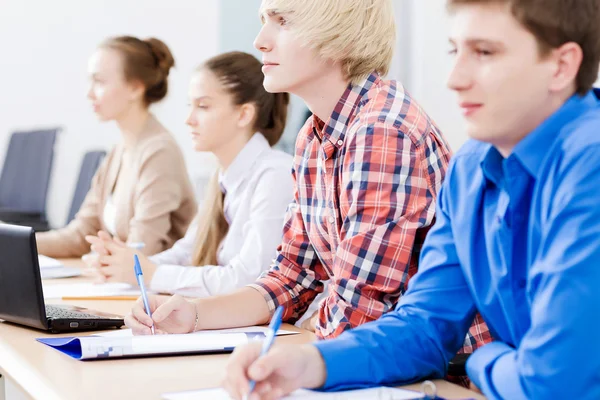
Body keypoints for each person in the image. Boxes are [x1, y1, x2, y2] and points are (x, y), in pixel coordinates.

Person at [219, 0, 600, 399]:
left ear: (561, 66)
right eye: (456, 51)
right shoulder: (472, 168)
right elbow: (424, 327)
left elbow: (553, 382)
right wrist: (310, 364)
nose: (454, 79)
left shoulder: (589, 164)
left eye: (485, 53)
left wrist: (483, 361)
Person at [125, 0, 491, 355]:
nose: (260, 40)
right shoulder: (315, 137)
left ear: (340, 37)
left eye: (282, 21)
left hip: (444, 372)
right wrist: (195, 314)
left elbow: (360, 306)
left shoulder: (381, 131)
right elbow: (291, 277)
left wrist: (299, 366)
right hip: (376, 358)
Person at [84, 51, 294, 298]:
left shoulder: (275, 175)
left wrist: (149, 273)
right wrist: (126, 265)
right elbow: (187, 252)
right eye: (190, 106)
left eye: (203, 106)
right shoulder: (223, 177)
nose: (189, 120)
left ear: (244, 114)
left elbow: (250, 281)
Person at [36, 36, 197, 257]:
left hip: (153, 288)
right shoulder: (119, 151)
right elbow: (81, 234)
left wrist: (104, 256)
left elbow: (142, 251)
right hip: (123, 283)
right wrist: (17, 241)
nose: (89, 93)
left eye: (99, 81)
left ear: (135, 88)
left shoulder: (159, 152)